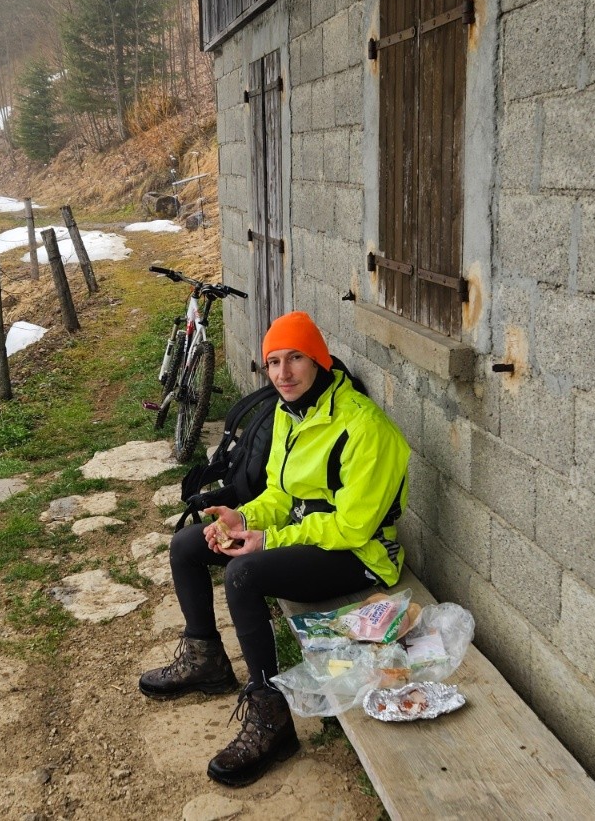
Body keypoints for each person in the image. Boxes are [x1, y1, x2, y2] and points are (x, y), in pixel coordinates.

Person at [138, 310, 410, 787]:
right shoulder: (291, 412)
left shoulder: (365, 428)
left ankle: (271, 717)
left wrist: (268, 541)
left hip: (361, 556)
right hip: (309, 539)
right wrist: (243, 519)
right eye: (273, 362)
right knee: (186, 545)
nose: (283, 374)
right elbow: (282, 494)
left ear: (319, 360)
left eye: (295, 358)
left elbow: (353, 528)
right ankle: (206, 660)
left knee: (245, 574)